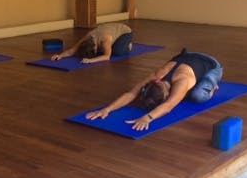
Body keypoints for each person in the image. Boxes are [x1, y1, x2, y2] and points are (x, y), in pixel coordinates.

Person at [86, 48, 223, 131]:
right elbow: (131, 94)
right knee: (184, 94)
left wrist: (147, 118)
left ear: (166, 94)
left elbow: (168, 106)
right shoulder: (156, 76)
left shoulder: (182, 80)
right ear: (156, 82)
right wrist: (107, 109)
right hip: (188, 56)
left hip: (212, 65)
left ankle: (212, 86)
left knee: (197, 96)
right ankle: (197, 81)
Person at [51, 23, 133, 64]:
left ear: (95, 47)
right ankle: (114, 43)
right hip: (110, 31)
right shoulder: (86, 38)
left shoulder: (105, 40)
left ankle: (128, 45)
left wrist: (90, 60)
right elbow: (72, 50)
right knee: (103, 50)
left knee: (116, 52)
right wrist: (60, 56)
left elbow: (107, 57)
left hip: (125, 32)